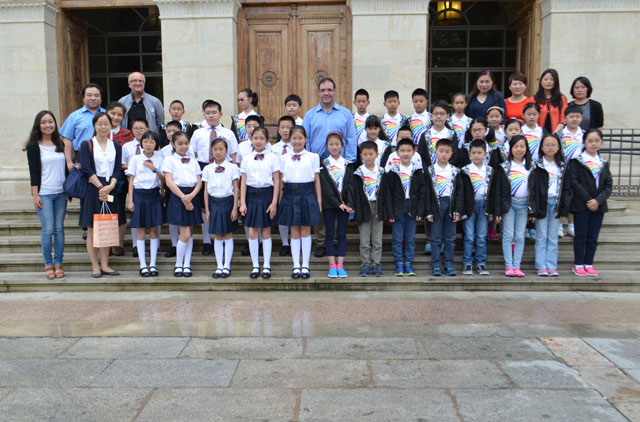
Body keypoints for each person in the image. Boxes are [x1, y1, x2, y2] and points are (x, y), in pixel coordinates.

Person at [303, 77, 357, 257]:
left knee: (338, 202)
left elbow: (350, 139)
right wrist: (310, 164)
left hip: (340, 165)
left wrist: (349, 164)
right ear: (318, 92)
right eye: (323, 90)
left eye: (329, 90)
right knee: (321, 204)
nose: (326, 93)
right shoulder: (310, 115)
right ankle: (320, 241)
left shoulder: (345, 114)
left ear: (334, 91)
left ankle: (335, 240)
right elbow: (307, 140)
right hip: (318, 166)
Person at [25, 110, 72, 279]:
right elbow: (34, 171)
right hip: (44, 194)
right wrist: (35, 194)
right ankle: (48, 263)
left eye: (50, 122)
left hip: (60, 193)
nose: (48, 125)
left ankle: (58, 262)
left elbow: (67, 167)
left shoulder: (60, 143)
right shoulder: (33, 146)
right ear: (39, 125)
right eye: (44, 122)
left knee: (59, 230)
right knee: (48, 229)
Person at [77, 112, 123, 278]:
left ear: (111, 126)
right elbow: (86, 168)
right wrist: (100, 187)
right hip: (92, 188)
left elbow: (118, 168)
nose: (103, 127)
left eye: (106, 124)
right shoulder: (87, 145)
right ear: (94, 126)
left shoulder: (116, 146)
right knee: (92, 228)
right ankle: (95, 265)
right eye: (100, 124)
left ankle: (105, 264)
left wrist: (110, 186)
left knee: (107, 227)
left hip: (110, 188)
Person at [191, 99, 238, 255]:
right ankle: (206, 240)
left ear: (220, 114)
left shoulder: (228, 133)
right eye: (208, 113)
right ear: (204, 114)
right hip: (204, 167)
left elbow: (233, 155)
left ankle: (226, 240)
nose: (211, 116)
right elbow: (193, 154)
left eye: (214, 113)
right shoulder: (197, 133)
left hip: (226, 168)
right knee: (205, 208)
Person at [562, 129, 612, 277]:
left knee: (593, 237)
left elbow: (608, 184)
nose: (593, 143)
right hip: (581, 204)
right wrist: (589, 200)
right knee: (580, 236)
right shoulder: (577, 161)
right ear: (584, 142)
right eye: (590, 140)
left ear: (601, 142)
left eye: (596, 140)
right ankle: (578, 264)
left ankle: (589, 263)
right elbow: (574, 182)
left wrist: (598, 200)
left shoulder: (603, 162)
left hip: (599, 205)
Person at [487, 135, 539, 278]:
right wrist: (497, 210)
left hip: (524, 205)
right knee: (508, 235)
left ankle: (517, 266)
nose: (519, 149)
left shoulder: (531, 167)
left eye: (522, 146)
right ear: (511, 148)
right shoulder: (504, 167)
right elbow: (498, 190)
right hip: (508, 204)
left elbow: (534, 191)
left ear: (526, 148)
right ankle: (509, 266)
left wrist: (533, 210)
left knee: (520, 236)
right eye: (516, 146)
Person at [277, 125, 322, 279]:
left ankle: (306, 265)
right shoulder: (283, 158)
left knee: (306, 230)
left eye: (300, 138)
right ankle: (296, 265)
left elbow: (317, 181)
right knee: (294, 230)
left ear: (306, 139)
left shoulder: (313, 157)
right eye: (294, 138)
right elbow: (280, 182)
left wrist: (319, 201)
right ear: (289, 140)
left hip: (307, 194)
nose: (297, 141)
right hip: (289, 194)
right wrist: (279, 201)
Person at [380, 138, 426, 277]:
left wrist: (420, 210)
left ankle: (408, 263)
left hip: (412, 207)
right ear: (397, 153)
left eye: (408, 150)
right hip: (397, 208)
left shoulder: (418, 171)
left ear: (414, 152)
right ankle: (399, 262)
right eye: (402, 150)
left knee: (410, 238)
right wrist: (390, 212)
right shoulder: (393, 172)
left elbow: (422, 193)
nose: (405, 153)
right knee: (398, 238)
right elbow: (388, 194)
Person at [239, 127, 280, 279]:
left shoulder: (273, 157)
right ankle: (255, 265)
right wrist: (242, 202)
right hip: (251, 195)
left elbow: (277, 181)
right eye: (255, 138)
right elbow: (243, 182)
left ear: (267, 141)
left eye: (262, 138)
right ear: (251, 139)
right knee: (251, 231)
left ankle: (267, 265)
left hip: (267, 195)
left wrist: (274, 202)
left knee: (266, 231)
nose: (258, 141)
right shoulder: (247, 158)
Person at [163, 131, 202, 278]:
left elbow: (199, 182)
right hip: (177, 196)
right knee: (184, 233)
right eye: (180, 143)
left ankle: (187, 264)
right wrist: (184, 198)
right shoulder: (169, 160)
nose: (183, 146)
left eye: (186, 143)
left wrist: (191, 196)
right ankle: (178, 264)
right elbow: (169, 182)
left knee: (190, 233)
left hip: (192, 195)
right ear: (173, 144)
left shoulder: (194, 161)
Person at [127, 131, 164, 277]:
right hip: (139, 195)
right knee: (141, 230)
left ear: (156, 144)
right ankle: (143, 265)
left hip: (154, 194)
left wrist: (154, 169)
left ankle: (153, 264)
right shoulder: (135, 159)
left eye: (152, 141)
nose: (148, 144)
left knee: (154, 230)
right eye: (146, 141)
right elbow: (131, 180)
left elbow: (164, 179)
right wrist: (130, 200)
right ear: (141, 143)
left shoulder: (160, 158)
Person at [425, 138, 463, 277]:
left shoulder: (455, 171)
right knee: (435, 238)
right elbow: (427, 192)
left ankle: (448, 264)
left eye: (447, 152)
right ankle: (435, 265)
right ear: (435, 152)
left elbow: (459, 192)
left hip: (451, 206)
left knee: (450, 238)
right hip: (436, 205)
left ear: (452, 153)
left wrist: (457, 210)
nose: (444, 154)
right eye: (441, 151)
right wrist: (428, 211)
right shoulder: (430, 170)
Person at [202, 137, 240, 279]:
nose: (218, 152)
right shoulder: (207, 168)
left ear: (226, 150)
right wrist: (207, 209)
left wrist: (235, 208)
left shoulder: (233, 168)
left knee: (228, 233)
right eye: (215, 149)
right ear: (211, 151)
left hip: (228, 202)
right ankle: (219, 265)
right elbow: (205, 190)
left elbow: (236, 188)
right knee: (217, 235)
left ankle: (227, 265)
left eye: (221, 149)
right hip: (214, 202)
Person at [319, 132, 355, 278]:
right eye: (331, 144)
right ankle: (332, 265)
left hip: (345, 205)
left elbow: (351, 186)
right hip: (330, 204)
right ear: (327, 146)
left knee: (341, 233)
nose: (334, 147)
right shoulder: (323, 164)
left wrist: (349, 203)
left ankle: (340, 264)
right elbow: (325, 187)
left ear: (342, 145)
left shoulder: (348, 164)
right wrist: (337, 203)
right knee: (329, 233)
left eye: (337, 144)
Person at [347, 141, 385, 277]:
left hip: (378, 208)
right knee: (364, 240)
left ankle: (376, 264)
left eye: (371, 154)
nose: (368, 157)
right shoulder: (357, 173)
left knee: (377, 240)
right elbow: (353, 193)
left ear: (377, 154)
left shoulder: (382, 172)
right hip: (363, 208)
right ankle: (365, 264)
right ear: (361, 155)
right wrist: (353, 208)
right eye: (365, 154)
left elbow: (385, 193)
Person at [532, 133, 568, 277]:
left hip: (556, 203)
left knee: (552, 237)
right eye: (547, 144)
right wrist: (533, 209)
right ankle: (541, 265)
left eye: (553, 144)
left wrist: (564, 208)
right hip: (542, 203)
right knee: (541, 236)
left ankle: (551, 265)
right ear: (541, 147)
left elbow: (567, 189)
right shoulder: (537, 165)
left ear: (559, 147)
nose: (550, 147)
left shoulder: (562, 166)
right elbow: (533, 188)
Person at [460, 139, 492, 276]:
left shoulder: (490, 170)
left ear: (485, 153)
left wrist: (491, 210)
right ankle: (467, 263)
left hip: (484, 204)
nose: (477, 155)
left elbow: (492, 191)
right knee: (469, 236)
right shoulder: (465, 170)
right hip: (469, 205)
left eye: (479, 153)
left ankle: (481, 263)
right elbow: (461, 191)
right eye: (474, 153)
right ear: (469, 154)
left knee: (481, 236)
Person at [119, 117, 150, 257]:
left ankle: (150, 243)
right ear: (131, 130)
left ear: (147, 130)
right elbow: (122, 163)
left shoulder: (152, 145)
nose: (139, 131)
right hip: (132, 183)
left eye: (141, 128)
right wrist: (135, 166)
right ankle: (136, 245)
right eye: (136, 128)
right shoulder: (127, 146)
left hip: (150, 185)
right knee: (135, 215)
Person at [160, 120, 187, 258]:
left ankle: (185, 243)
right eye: (169, 131)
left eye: (174, 130)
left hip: (186, 188)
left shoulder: (187, 150)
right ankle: (174, 244)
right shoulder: (163, 151)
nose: (171, 133)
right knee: (173, 218)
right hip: (170, 187)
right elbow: (162, 173)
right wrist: (162, 189)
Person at [556, 105, 585, 238]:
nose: (574, 119)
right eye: (571, 117)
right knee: (562, 198)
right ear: (565, 118)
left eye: (577, 117)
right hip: (562, 170)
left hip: (579, 172)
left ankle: (572, 225)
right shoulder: (559, 135)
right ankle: (560, 225)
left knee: (575, 198)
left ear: (581, 118)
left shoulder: (584, 134)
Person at [272, 115, 296, 256]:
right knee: (282, 213)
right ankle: (284, 243)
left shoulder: (298, 146)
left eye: (289, 127)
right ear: (278, 130)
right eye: (282, 127)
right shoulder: (274, 148)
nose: (285, 130)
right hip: (278, 184)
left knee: (293, 214)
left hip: (293, 184)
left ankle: (294, 241)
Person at [60, 83, 106, 153]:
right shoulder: (74, 116)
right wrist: (69, 162)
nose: (93, 98)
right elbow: (67, 140)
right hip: (81, 155)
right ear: (83, 98)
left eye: (96, 95)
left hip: (105, 154)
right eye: (89, 95)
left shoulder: (107, 115)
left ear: (101, 98)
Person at [417, 100, 457, 167]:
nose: (439, 116)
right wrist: (428, 171)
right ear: (431, 116)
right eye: (436, 113)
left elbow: (455, 155)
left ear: (448, 116)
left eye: (442, 113)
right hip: (428, 174)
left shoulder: (452, 135)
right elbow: (421, 156)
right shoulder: (425, 135)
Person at [534, 69, 567, 134]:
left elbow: (563, 119)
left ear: (556, 82)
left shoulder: (561, 98)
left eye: (552, 79)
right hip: (538, 134)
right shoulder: (534, 99)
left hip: (557, 133)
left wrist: (555, 134)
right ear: (541, 81)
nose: (548, 82)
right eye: (545, 79)